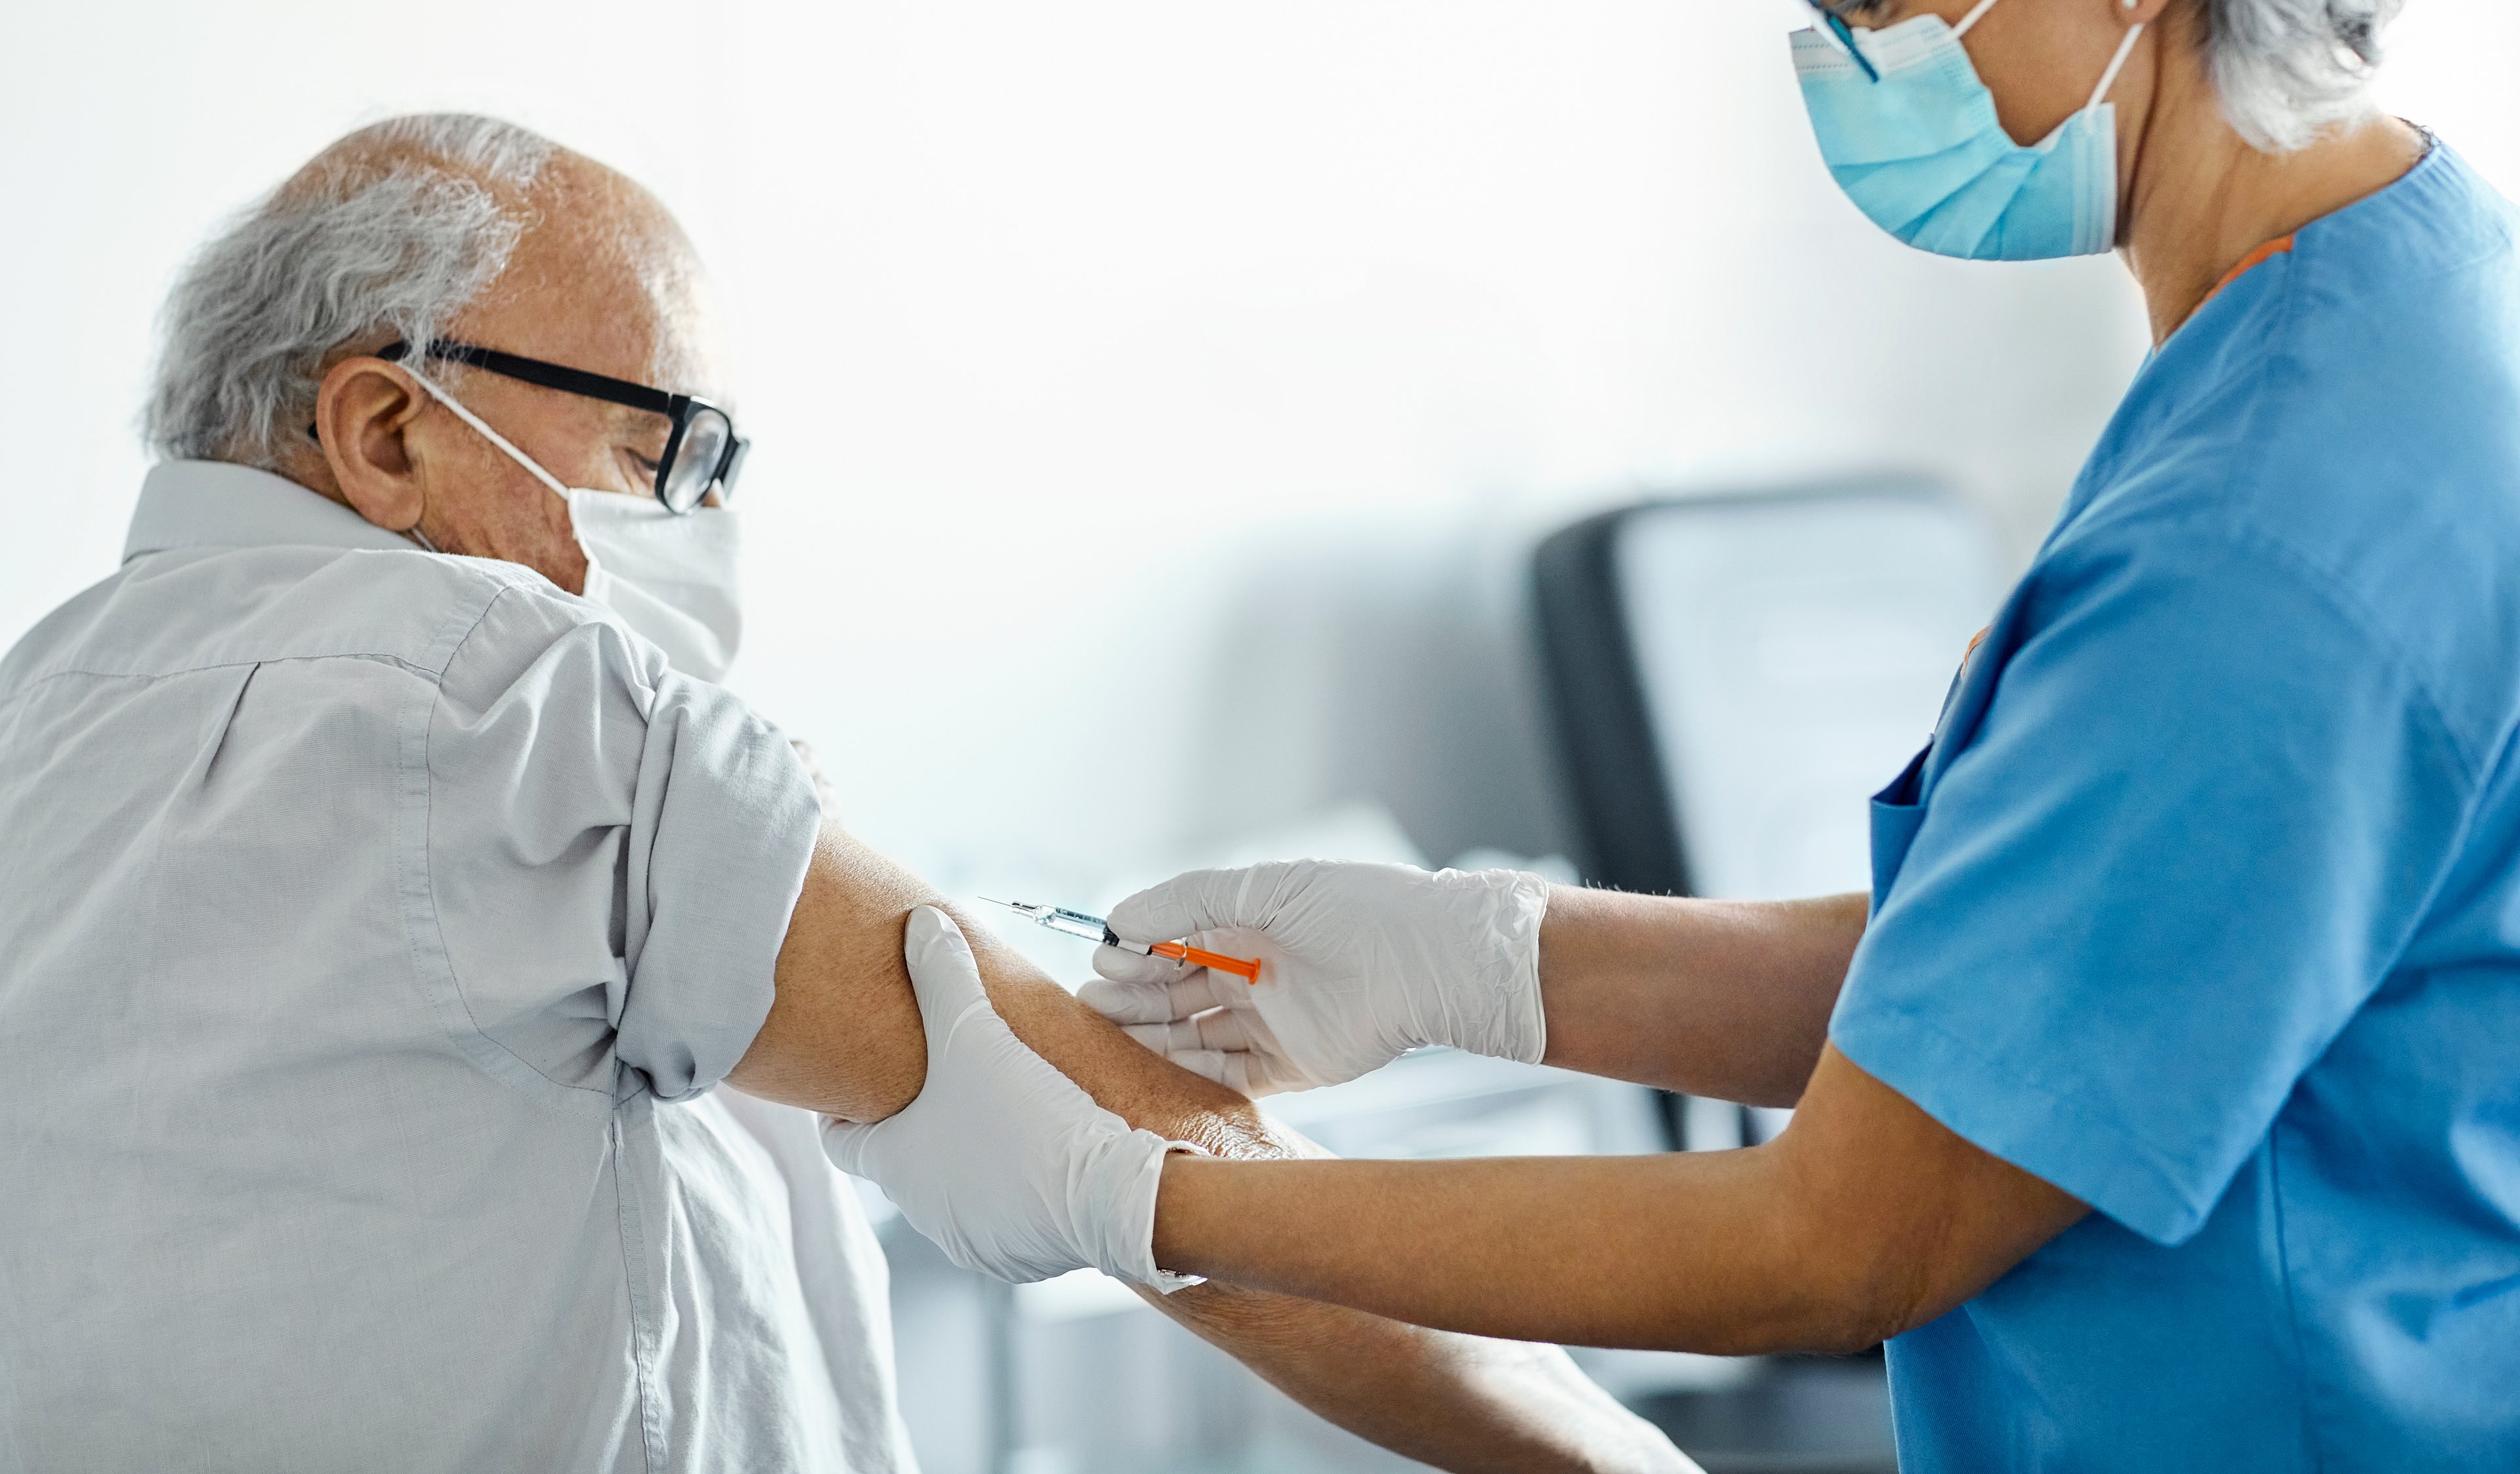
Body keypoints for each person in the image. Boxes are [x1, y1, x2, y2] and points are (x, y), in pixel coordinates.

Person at [843, 0, 2520, 1469]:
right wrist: (1481, 959)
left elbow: (1844, 1234)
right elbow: (2041, 991)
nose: (1844, 63)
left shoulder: (2262, 532)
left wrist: (1148, 1200)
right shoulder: (2393, 299)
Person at [0, 114, 1686, 1473]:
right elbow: (1167, 1148)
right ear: (386, 430)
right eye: (670, 447)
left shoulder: (35, 708)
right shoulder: (512, 695)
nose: (701, 514)